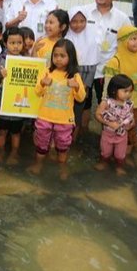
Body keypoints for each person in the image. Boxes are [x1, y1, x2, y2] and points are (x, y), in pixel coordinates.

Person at [78, 0, 131, 131]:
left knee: (109, 108)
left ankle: (105, 141)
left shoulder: (122, 19)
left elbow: (128, 45)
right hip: (84, 68)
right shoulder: (83, 12)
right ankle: (82, 135)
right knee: (83, 106)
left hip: (107, 72)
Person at [30, 39, 86, 179]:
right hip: (45, 117)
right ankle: (38, 164)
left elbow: (81, 98)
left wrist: (77, 87)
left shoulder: (75, 76)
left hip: (64, 120)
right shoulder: (46, 72)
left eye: (62, 56)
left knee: (63, 145)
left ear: (70, 58)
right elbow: (37, 92)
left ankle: (62, 166)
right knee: (41, 144)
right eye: (55, 55)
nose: (58, 59)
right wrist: (42, 83)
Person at [103, 25, 137, 160]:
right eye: (133, 39)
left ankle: (124, 159)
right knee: (110, 133)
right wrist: (104, 104)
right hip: (114, 107)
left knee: (130, 134)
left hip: (135, 107)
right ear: (123, 41)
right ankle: (108, 158)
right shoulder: (115, 61)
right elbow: (107, 86)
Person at [65, 7, 98, 138]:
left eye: (81, 21)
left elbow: (93, 64)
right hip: (67, 77)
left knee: (77, 112)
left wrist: (86, 85)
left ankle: (73, 140)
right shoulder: (66, 37)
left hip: (83, 78)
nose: (78, 25)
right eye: (74, 21)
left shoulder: (91, 38)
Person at [0, 27, 26, 164]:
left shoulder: (27, 62)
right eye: (12, 43)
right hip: (3, 104)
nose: (16, 46)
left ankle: (14, 153)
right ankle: (1, 151)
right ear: (5, 43)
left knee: (16, 132)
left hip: (18, 106)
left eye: (19, 43)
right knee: (1, 130)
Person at [95, 74, 135, 176]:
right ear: (114, 90)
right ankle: (104, 162)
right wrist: (109, 123)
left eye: (130, 91)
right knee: (105, 152)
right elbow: (98, 115)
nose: (128, 94)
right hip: (108, 133)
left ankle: (119, 167)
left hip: (122, 134)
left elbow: (131, 117)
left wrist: (131, 124)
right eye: (125, 91)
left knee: (120, 154)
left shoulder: (129, 104)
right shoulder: (106, 102)